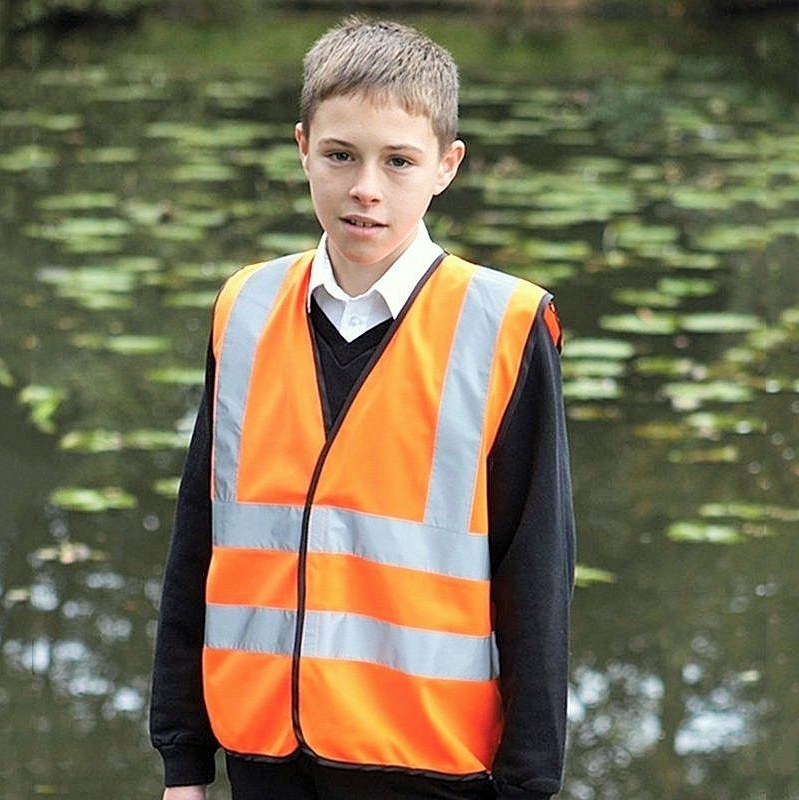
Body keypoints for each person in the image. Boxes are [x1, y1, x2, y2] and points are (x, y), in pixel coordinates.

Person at [149, 17, 575, 800]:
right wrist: (183, 759)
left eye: (399, 162)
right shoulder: (244, 308)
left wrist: (529, 784)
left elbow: (538, 577)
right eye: (341, 155)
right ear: (302, 146)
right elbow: (196, 538)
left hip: (429, 767)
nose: (365, 188)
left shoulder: (505, 325)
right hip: (261, 753)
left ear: (446, 167)